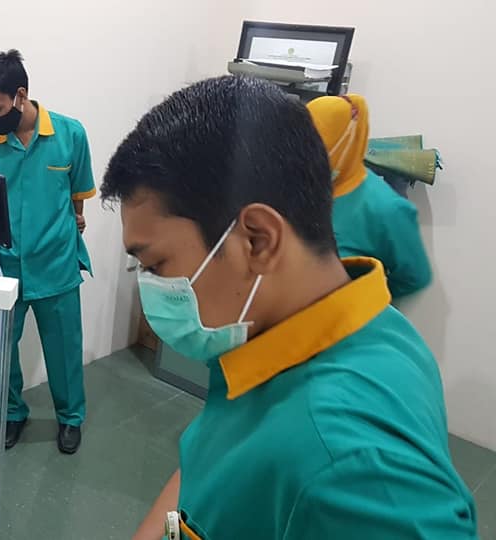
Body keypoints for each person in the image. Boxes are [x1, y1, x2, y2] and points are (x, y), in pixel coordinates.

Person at [101, 76, 477, 539]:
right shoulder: (309, 333)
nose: (151, 288)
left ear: (258, 239)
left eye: (156, 264)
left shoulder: (351, 469)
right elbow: (209, 466)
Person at [0, 49, 95, 454]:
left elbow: (78, 193)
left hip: (56, 263)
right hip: (6, 266)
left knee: (64, 350)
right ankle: (13, 413)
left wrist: (77, 217)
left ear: (20, 95)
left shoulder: (70, 134)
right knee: (3, 350)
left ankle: (71, 418)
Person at [307, 94, 433, 299]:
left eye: (319, 147)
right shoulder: (303, 185)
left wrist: (364, 297)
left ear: (348, 142)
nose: (307, 157)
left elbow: (415, 277)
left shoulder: (386, 208)